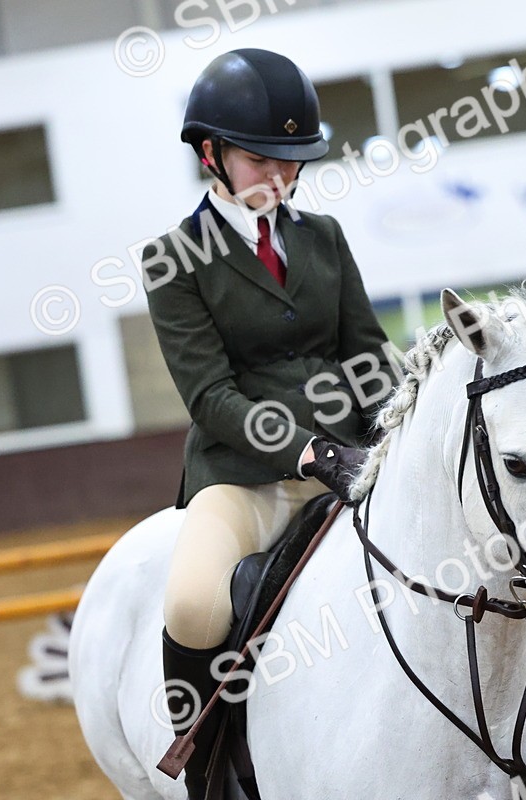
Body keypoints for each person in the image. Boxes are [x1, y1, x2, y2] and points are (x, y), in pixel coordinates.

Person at [142, 48, 392, 800]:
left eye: (293, 164)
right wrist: (309, 451)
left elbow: (368, 356)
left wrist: (394, 433)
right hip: (245, 479)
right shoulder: (173, 261)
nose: (280, 180)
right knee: (192, 602)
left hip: (353, 461)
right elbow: (211, 397)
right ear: (211, 154)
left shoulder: (325, 238)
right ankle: (208, 763)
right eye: (262, 161)